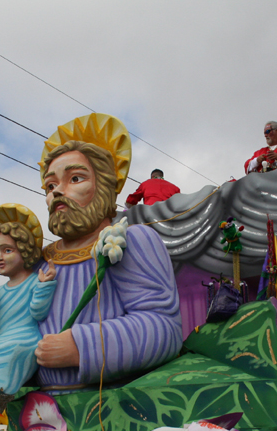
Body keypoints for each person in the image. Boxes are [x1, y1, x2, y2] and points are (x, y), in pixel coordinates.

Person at [33, 113, 183, 391]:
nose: (57, 192)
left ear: (103, 186)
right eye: (50, 185)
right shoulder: (40, 260)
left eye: (75, 178)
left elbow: (164, 328)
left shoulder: (130, 240)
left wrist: (80, 346)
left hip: (109, 407)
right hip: (40, 409)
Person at [0, 204, 58, 395]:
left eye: (7, 250)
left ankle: (0, 382)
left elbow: (38, 312)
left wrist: (43, 287)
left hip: (26, 337)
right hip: (4, 337)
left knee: (16, 349)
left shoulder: (34, 281)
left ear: (24, 250)